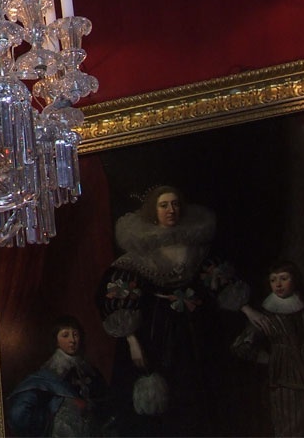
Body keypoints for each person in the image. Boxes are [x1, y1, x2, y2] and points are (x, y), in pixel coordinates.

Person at [97, 185, 265, 436]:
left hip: (197, 324)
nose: (171, 210)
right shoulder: (139, 252)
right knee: (167, 388)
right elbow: (119, 293)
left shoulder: (195, 245)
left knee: (200, 382)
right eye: (164, 205)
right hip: (157, 329)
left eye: (175, 204)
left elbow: (216, 276)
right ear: (154, 211)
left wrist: (247, 309)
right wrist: (132, 340)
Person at [232, 260, 304, 436]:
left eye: (283, 278)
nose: (278, 284)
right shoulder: (265, 317)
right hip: (283, 380)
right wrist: (270, 359)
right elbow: (241, 347)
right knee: (288, 428)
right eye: (273, 280)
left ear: (295, 281)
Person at [6, 315, 112, 437]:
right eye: (65, 335)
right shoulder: (48, 373)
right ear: (56, 340)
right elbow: (19, 412)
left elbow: (105, 402)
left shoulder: (90, 370)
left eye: (75, 335)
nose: (72, 340)